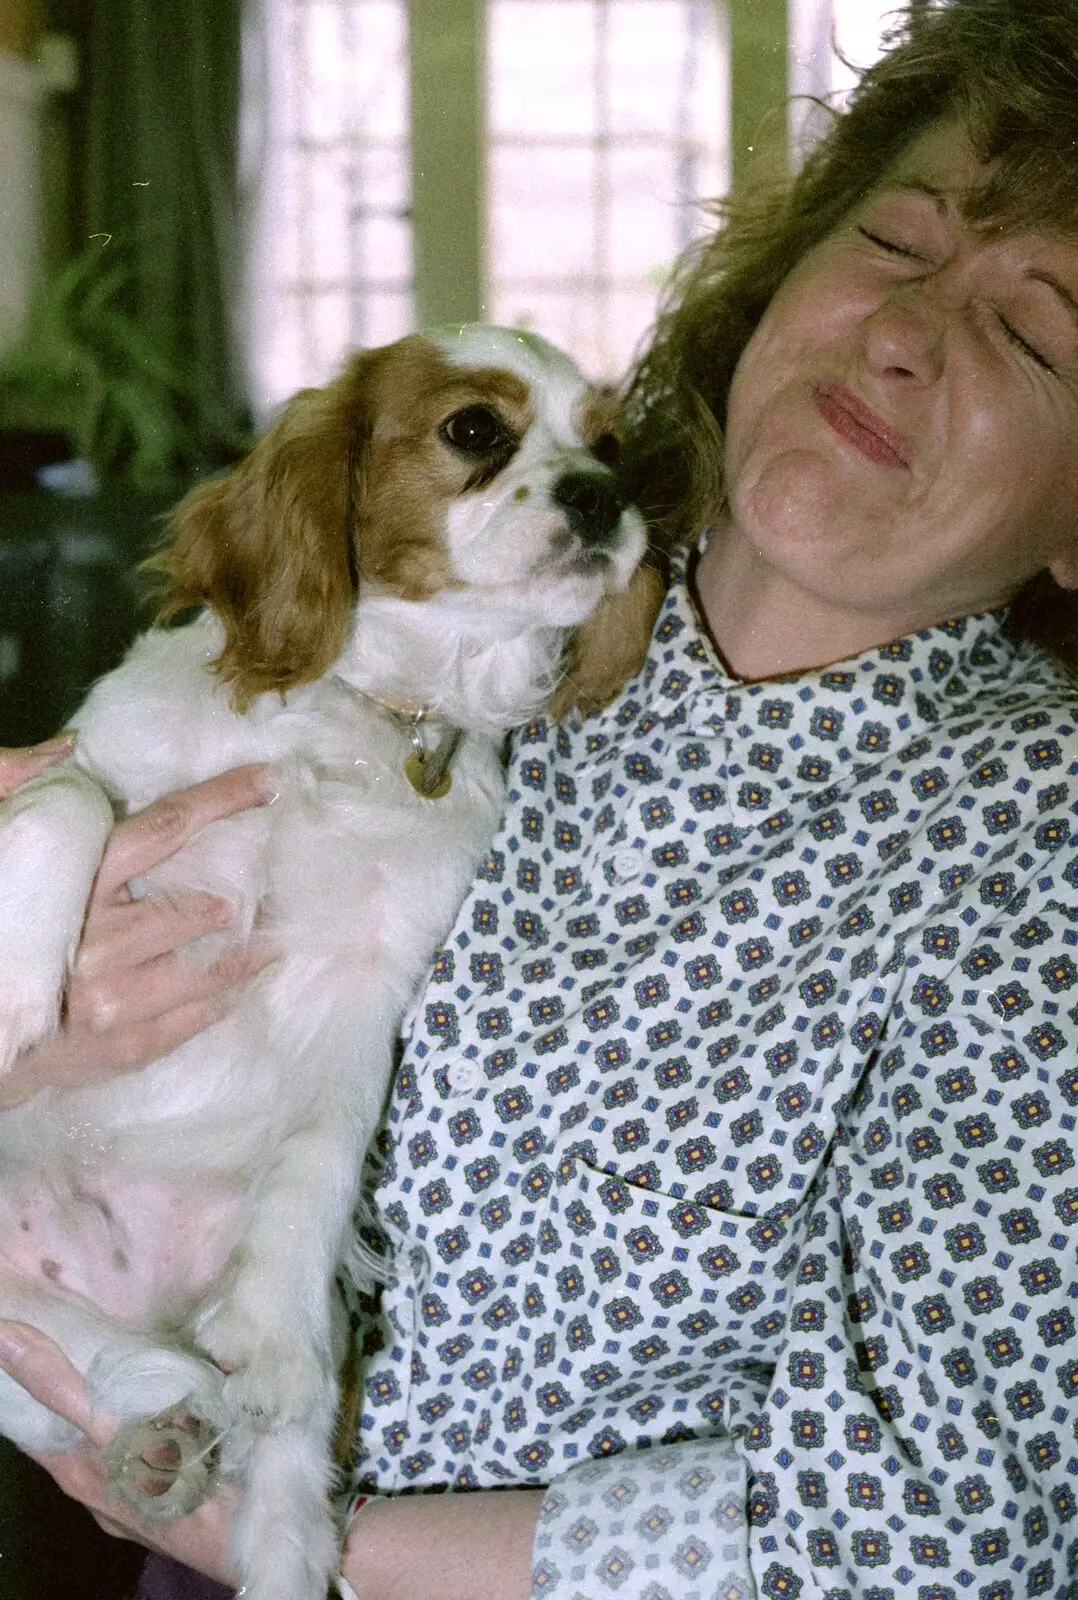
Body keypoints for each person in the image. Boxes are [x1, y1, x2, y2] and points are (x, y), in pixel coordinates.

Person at [2, 1, 1078, 1595]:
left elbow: (939, 1521)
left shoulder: (1031, 839)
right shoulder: (471, 633)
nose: (907, 333)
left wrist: (312, 1546)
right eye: (895, 240)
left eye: (1035, 331)